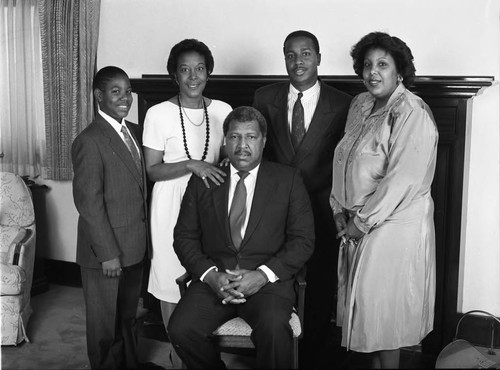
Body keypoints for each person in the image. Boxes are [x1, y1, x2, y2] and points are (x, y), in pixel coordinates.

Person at [167, 106, 315, 369]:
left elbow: (303, 240)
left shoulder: (288, 180)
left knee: (273, 329)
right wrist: (211, 275)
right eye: (235, 137)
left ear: (264, 141)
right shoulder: (204, 181)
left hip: (267, 284)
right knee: (180, 328)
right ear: (225, 140)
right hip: (216, 280)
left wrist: (262, 275)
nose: (242, 145)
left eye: (251, 137)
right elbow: (184, 237)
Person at [330, 32, 438, 369]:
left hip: (393, 226)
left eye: (382, 65)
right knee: (368, 318)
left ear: (399, 71)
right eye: (367, 65)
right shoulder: (361, 103)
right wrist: (338, 208)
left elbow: (402, 180)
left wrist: (360, 222)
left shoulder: (412, 112)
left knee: (384, 320)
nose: (372, 72)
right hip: (357, 223)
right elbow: (344, 158)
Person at [252, 30, 352, 368]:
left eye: (306, 53)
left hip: (323, 207)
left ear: (319, 58)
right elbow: (258, 152)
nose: (298, 61)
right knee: (277, 275)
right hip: (277, 207)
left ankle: (312, 354)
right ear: (284, 58)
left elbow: (346, 160)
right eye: (291, 54)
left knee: (322, 281)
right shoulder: (265, 97)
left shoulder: (341, 102)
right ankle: (279, 346)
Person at [142, 38, 232, 365]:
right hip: (169, 203)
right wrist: (191, 164)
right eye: (184, 70)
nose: (193, 76)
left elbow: (230, 161)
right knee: (170, 278)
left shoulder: (223, 111)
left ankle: (199, 351)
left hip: (210, 204)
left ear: (208, 72)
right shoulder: (158, 113)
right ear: (174, 75)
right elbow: (152, 171)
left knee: (205, 275)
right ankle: (178, 356)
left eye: (199, 69)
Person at [72, 66, 149, 369]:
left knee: (127, 317)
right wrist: (107, 254)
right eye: (116, 91)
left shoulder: (134, 131)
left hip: (134, 246)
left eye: (128, 91)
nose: (125, 98)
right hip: (105, 253)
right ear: (99, 95)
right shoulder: (89, 141)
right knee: (104, 325)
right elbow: (89, 204)